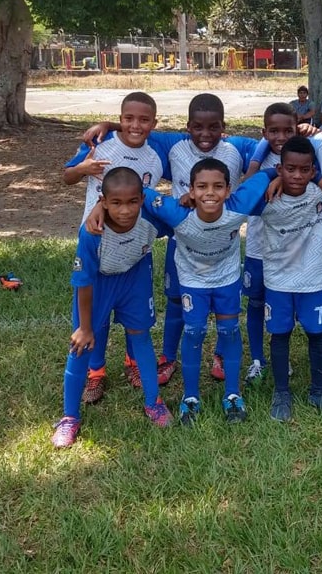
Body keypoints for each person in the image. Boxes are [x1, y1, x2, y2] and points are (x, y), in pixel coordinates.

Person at [83, 94, 259, 386]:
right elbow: (139, 128)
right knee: (177, 299)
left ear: (223, 126)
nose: (205, 135)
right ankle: (167, 357)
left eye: (214, 127)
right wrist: (109, 123)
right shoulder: (173, 145)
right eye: (197, 128)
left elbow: (274, 145)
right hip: (184, 239)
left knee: (224, 304)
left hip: (222, 243)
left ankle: (219, 354)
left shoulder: (237, 147)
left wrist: (261, 173)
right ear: (188, 126)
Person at [140, 158, 274, 425]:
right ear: (190, 190)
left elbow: (267, 173)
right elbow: (136, 190)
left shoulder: (240, 205)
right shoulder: (176, 212)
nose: (210, 193)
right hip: (192, 281)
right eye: (201, 186)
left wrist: (277, 176)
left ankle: (233, 394)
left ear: (228, 190)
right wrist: (100, 205)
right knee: (194, 331)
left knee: (229, 331)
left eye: (218, 187)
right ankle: (190, 397)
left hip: (226, 279)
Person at [51, 167, 172, 449]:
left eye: (132, 202)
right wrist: (84, 326)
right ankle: (70, 417)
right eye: (116, 203)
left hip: (135, 277)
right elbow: (84, 280)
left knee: (141, 337)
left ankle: (153, 402)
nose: (125, 210)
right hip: (100, 283)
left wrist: (188, 202)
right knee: (82, 346)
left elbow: (179, 216)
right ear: (103, 202)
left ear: (142, 200)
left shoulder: (151, 216)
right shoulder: (92, 232)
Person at [62, 92, 170, 404]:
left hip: (136, 247)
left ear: (153, 123)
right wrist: (84, 168)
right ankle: (95, 373)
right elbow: (67, 176)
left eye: (144, 120)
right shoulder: (100, 143)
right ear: (120, 119)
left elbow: (193, 138)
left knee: (134, 318)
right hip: (98, 241)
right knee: (96, 319)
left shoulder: (156, 152)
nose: (136, 125)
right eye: (128, 119)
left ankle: (132, 364)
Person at [250, 136, 322, 422]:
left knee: (317, 335)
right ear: (280, 169)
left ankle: (318, 391)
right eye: (290, 169)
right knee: (280, 335)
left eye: (305, 170)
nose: (297, 176)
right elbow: (240, 188)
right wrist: (267, 176)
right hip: (278, 282)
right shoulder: (265, 198)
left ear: (314, 171)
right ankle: (282, 392)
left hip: (313, 281)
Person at [239, 102, 299, 387]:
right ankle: (257, 359)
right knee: (256, 301)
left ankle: (279, 356)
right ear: (264, 132)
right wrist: (263, 169)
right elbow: (246, 189)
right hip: (258, 247)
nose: (281, 136)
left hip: (289, 249)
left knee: (280, 303)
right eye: (273, 131)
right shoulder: (258, 158)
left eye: (288, 130)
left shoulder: (302, 157)